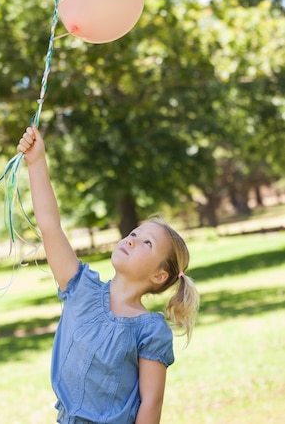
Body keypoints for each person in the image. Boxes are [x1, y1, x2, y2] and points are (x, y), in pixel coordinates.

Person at [17, 125, 200, 424]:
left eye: (146, 243)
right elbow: (50, 227)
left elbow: (151, 405)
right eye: (133, 233)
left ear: (159, 276)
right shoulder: (81, 289)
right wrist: (36, 163)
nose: (131, 240)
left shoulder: (149, 331)